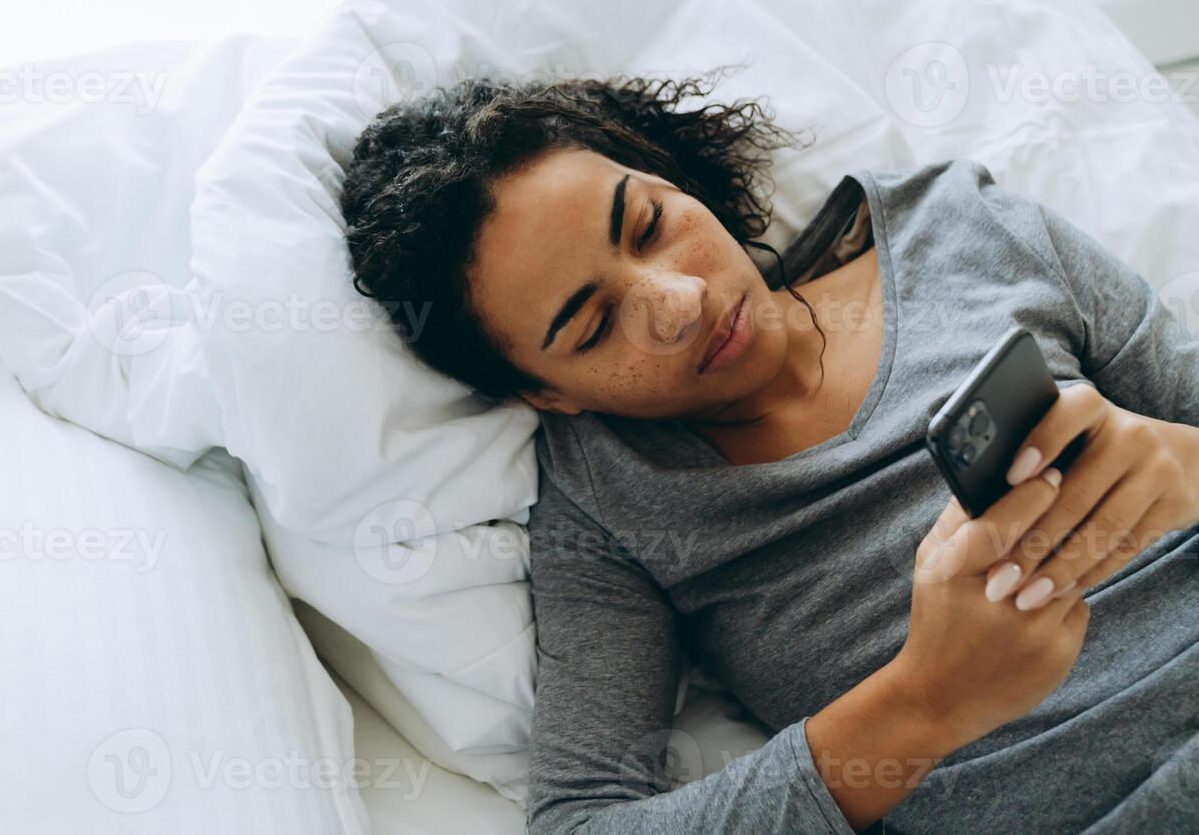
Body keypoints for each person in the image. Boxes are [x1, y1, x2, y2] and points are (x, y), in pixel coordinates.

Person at [338, 72, 1199, 833]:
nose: (677, 303)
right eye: (595, 325)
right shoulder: (611, 503)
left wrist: (1178, 462)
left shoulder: (964, 230)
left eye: (649, 223)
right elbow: (580, 820)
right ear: (547, 393)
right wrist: (925, 701)